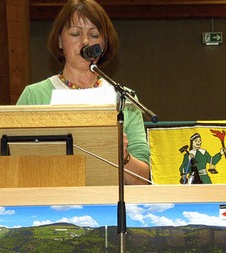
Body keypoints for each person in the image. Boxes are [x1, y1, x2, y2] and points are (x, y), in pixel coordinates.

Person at [17, 0, 151, 185]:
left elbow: (143, 180)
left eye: (94, 35)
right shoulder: (34, 96)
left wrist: (124, 157)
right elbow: (13, 167)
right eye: (75, 33)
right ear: (59, 41)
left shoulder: (124, 98)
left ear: (103, 45)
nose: (85, 41)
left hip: (109, 206)